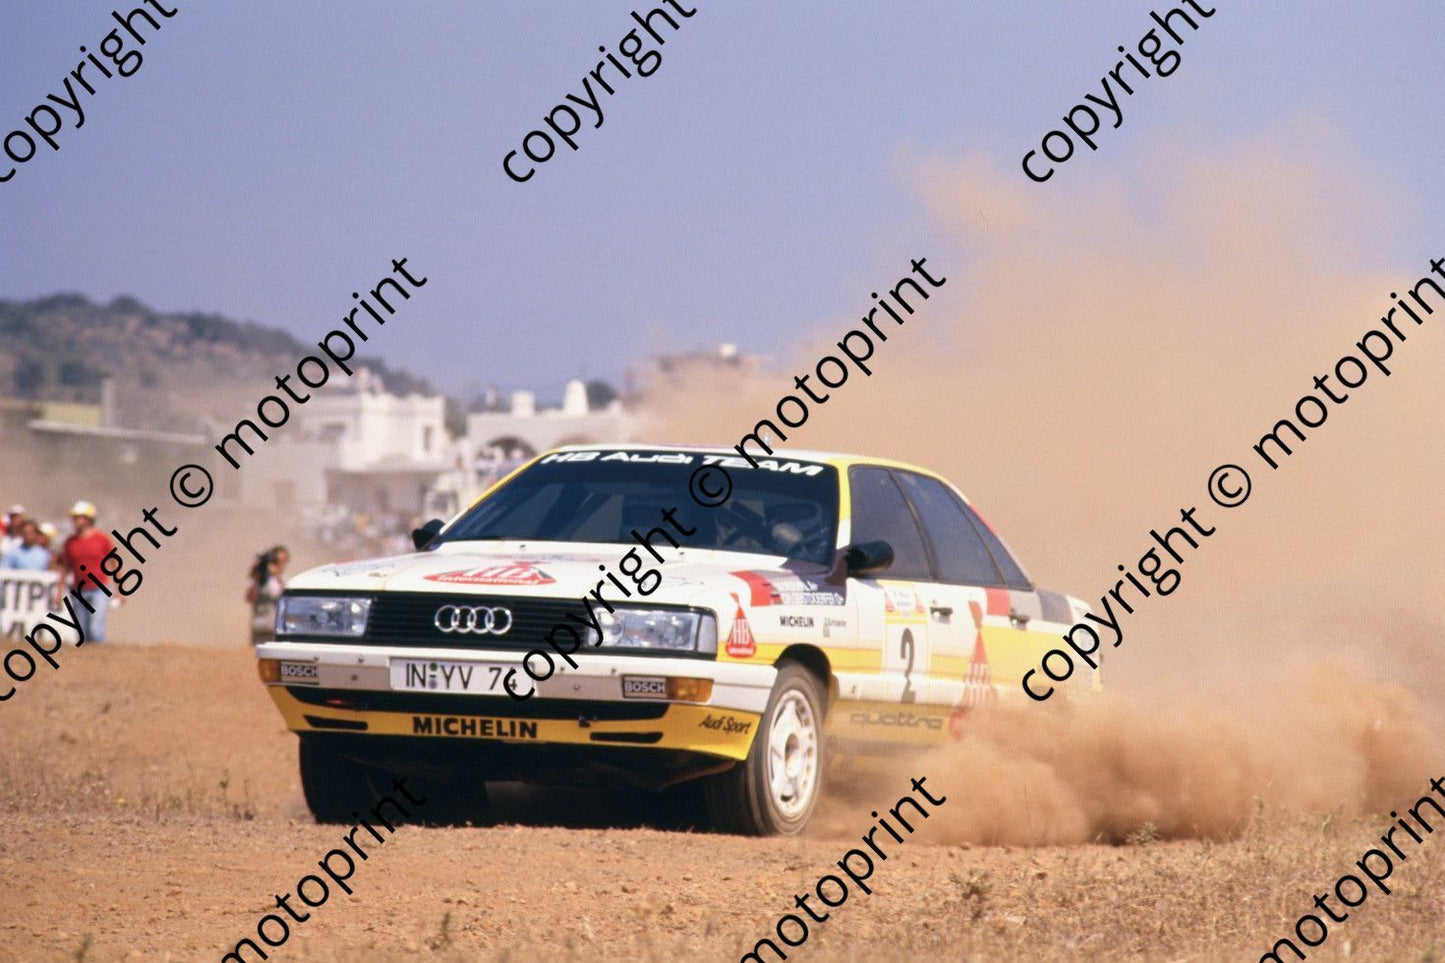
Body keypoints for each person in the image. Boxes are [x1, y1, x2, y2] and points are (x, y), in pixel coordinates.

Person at [53, 500, 117, 643]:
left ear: (88, 519)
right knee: (82, 630)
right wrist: (58, 592)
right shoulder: (70, 542)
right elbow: (65, 567)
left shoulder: (102, 539)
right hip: (78, 590)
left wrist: (120, 588)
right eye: (74, 518)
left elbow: (114, 562)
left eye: (78, 517)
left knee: (95, 628)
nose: (75, 521)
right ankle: (88, 661)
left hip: (100, 588)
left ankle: (101, 658)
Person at [246, 545, 290, 645]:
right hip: (258, 625)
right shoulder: (258, 580)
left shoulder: (283, 580)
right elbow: (250, 599)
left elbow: (287, 599)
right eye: (275, 561)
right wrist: (256, 576)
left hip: (275, 627)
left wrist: (276, 576)